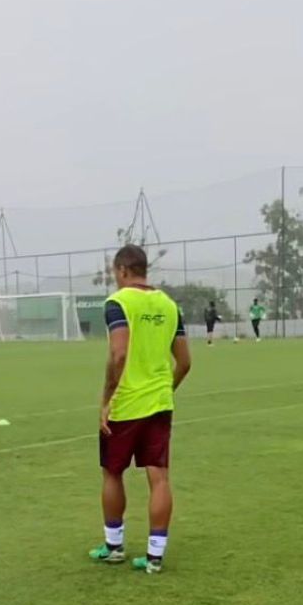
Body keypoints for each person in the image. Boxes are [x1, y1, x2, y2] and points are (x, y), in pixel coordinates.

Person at [89, 244, 191, 574]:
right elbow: (185, 361)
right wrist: (164, 390)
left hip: (126, 403)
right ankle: (155, 557)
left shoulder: (118, 303)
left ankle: (114, 547)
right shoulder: (169, 305)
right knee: (159, 476)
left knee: (112, 472)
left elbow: (119, 354)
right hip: (160, 404)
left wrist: (107, 400)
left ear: (121, 271)